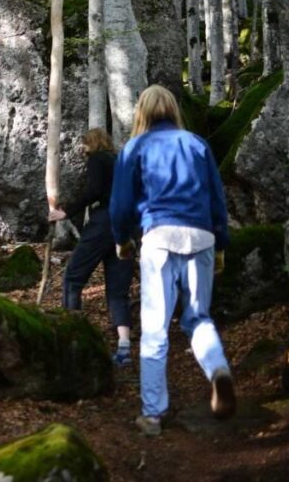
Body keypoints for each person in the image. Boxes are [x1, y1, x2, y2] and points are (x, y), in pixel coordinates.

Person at [110, 85, 235, 436]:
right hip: (201, 236)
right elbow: (216, 199)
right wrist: (221, 243)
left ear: (142, 112)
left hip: (159, 237)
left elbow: (119, 206)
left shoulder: (135, 147)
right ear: (173, 110)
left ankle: (153, 414)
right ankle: (218, 371)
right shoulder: (197, 144)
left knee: (154, 328)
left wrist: (122, 241)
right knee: (198, 318)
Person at [51, 128, 135, 367]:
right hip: (125, 228)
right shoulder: (120, 162)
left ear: (91, 144)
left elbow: (94, 190)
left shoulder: (97, 160)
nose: (82, 149)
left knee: (73, 278)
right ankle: (124, 347)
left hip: (104, 225)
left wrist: (66, 211)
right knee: (118, 291)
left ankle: (73, 339)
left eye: (84, 144)